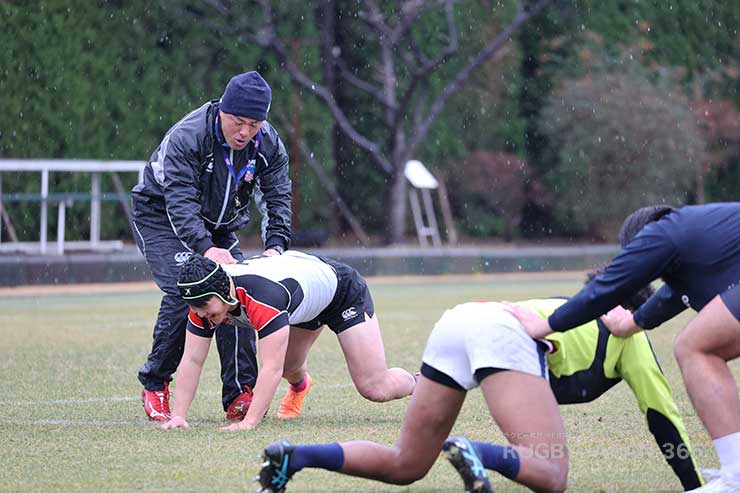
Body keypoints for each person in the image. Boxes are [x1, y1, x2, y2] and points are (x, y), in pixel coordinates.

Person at [254, 280, 703, 493]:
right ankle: (474, 451)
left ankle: (296, 456)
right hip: (495, 333)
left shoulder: (569, 304)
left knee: (406, 465)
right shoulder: (634, 336)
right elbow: (664, 418)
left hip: (459, 320)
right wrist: (695, 485)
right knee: (551, 473)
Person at [508, 203, 740, 492]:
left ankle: (735, 476)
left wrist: (544, 326)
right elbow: (668, 299)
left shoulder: (659, 233)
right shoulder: (695, 242)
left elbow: (605, 289)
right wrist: (628, 325)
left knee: (693, 346)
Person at [130, 70, 292, 422]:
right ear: (222, 111)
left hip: (218, 226)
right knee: (187, 286)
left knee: (236, 290)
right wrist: (205, 249)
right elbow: (179, 201)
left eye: (254, 124)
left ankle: (239, 394)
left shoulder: (267, 143)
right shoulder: (190, 136)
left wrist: (276, 246)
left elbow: (278, 194)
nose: (245, 132)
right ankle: (155, 383)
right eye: (237, 122)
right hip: (160, 216)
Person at [160, 251, 416, 431]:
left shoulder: (262, 298)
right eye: (194, 307)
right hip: (301, 301)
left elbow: (269, 368)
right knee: (287, 367)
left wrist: (249, 422)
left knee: (374, 387)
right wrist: (179, 416)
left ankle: (423, 382)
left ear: (222, 291)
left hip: (341, 292)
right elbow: (192, 359)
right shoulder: (204, 302)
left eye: (204, 306)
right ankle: (300, 385)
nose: (201, 313)